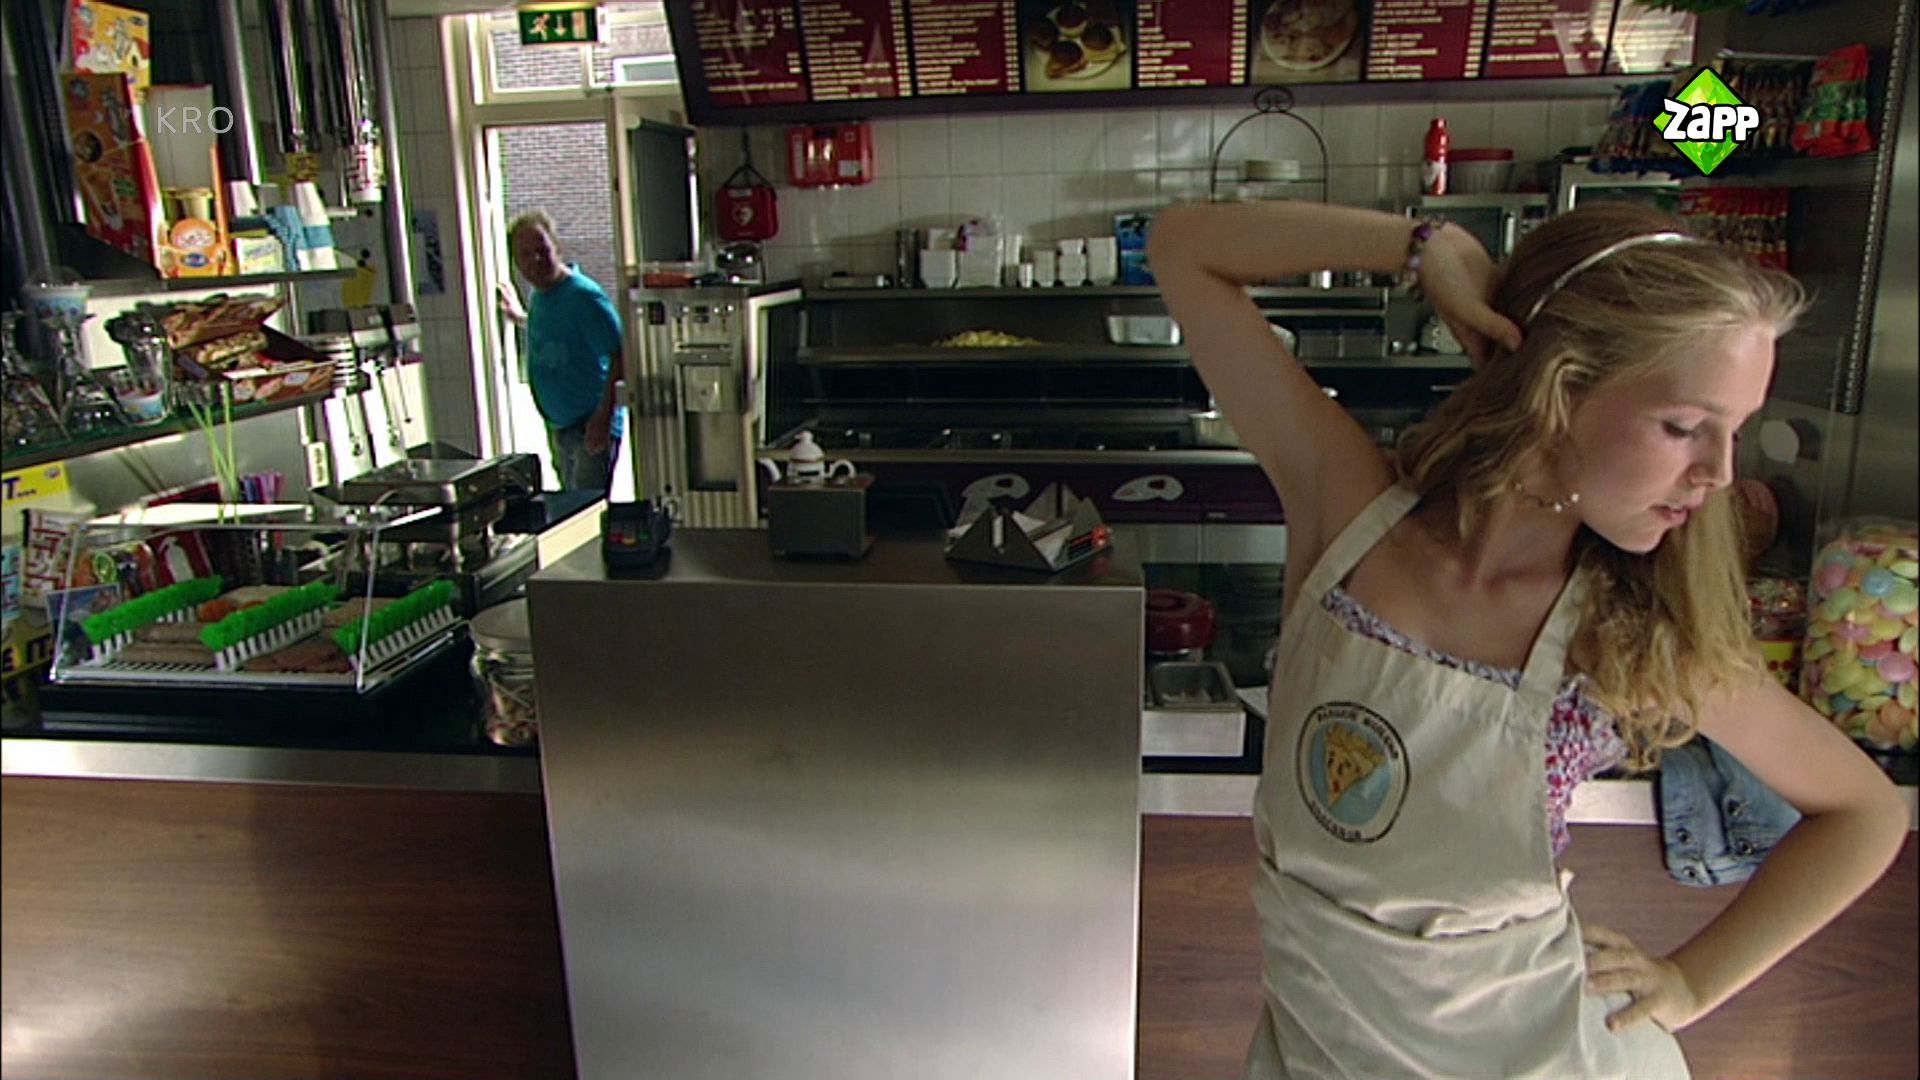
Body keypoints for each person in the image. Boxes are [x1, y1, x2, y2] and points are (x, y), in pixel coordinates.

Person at [1147, 198, 1908, 1078]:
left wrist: (1691, 984)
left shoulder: (1626, 637)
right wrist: (1426, 246)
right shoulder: (1348, 517)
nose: (1720, 473)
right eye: (1683, 426)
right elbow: (1184, 247)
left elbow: (1865, 813)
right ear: (1560, 385)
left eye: (1731, 432)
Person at [497, 210, 622, 492]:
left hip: (589, 426)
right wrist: (519, 317)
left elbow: (619, 355)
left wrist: (603, 418)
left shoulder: (584, 297)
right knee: (569, 504)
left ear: (557, 248)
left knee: (585, 510)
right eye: (525, 254)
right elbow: (559, 332)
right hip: (558, 426)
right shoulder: (539, 296)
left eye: (542, 250)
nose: (535, 260)